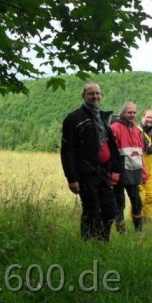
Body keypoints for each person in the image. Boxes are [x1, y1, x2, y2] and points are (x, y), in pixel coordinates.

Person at [60, 82, 119, 241]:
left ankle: (101, 241)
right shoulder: (73, 119)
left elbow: (111, 145)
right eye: (91, 94)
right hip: (86, 173)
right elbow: (67, 150)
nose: (95, 96)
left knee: (110, 209)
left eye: (98, 93)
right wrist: (72, 178)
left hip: (103, 172)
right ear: (83, 96)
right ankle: (87, 244)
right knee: (91, 211)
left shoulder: (102, 117)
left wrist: (115, 169)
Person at [110, 102, 147, 233]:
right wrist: (112, 173)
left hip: (134, 173)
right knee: (119, 204)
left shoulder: (137, 130)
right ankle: (122, 235)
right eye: (129, 112)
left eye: (134, 113)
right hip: (119, 173)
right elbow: (110, 153)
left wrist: (144, 173)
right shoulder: (115, 127)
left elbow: (140, 154)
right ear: (122, 113)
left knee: (137, 203)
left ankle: (139, 232)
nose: (132, 115)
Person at [137, 109, 152, 221]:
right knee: (140, 197)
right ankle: (136, 219)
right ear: (143, 117)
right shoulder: (137, 131)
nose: (150, 120)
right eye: (148, 117)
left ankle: (147, 219)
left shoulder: (151, 132)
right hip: (139, 172)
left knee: (151, 196)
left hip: (149, 172)